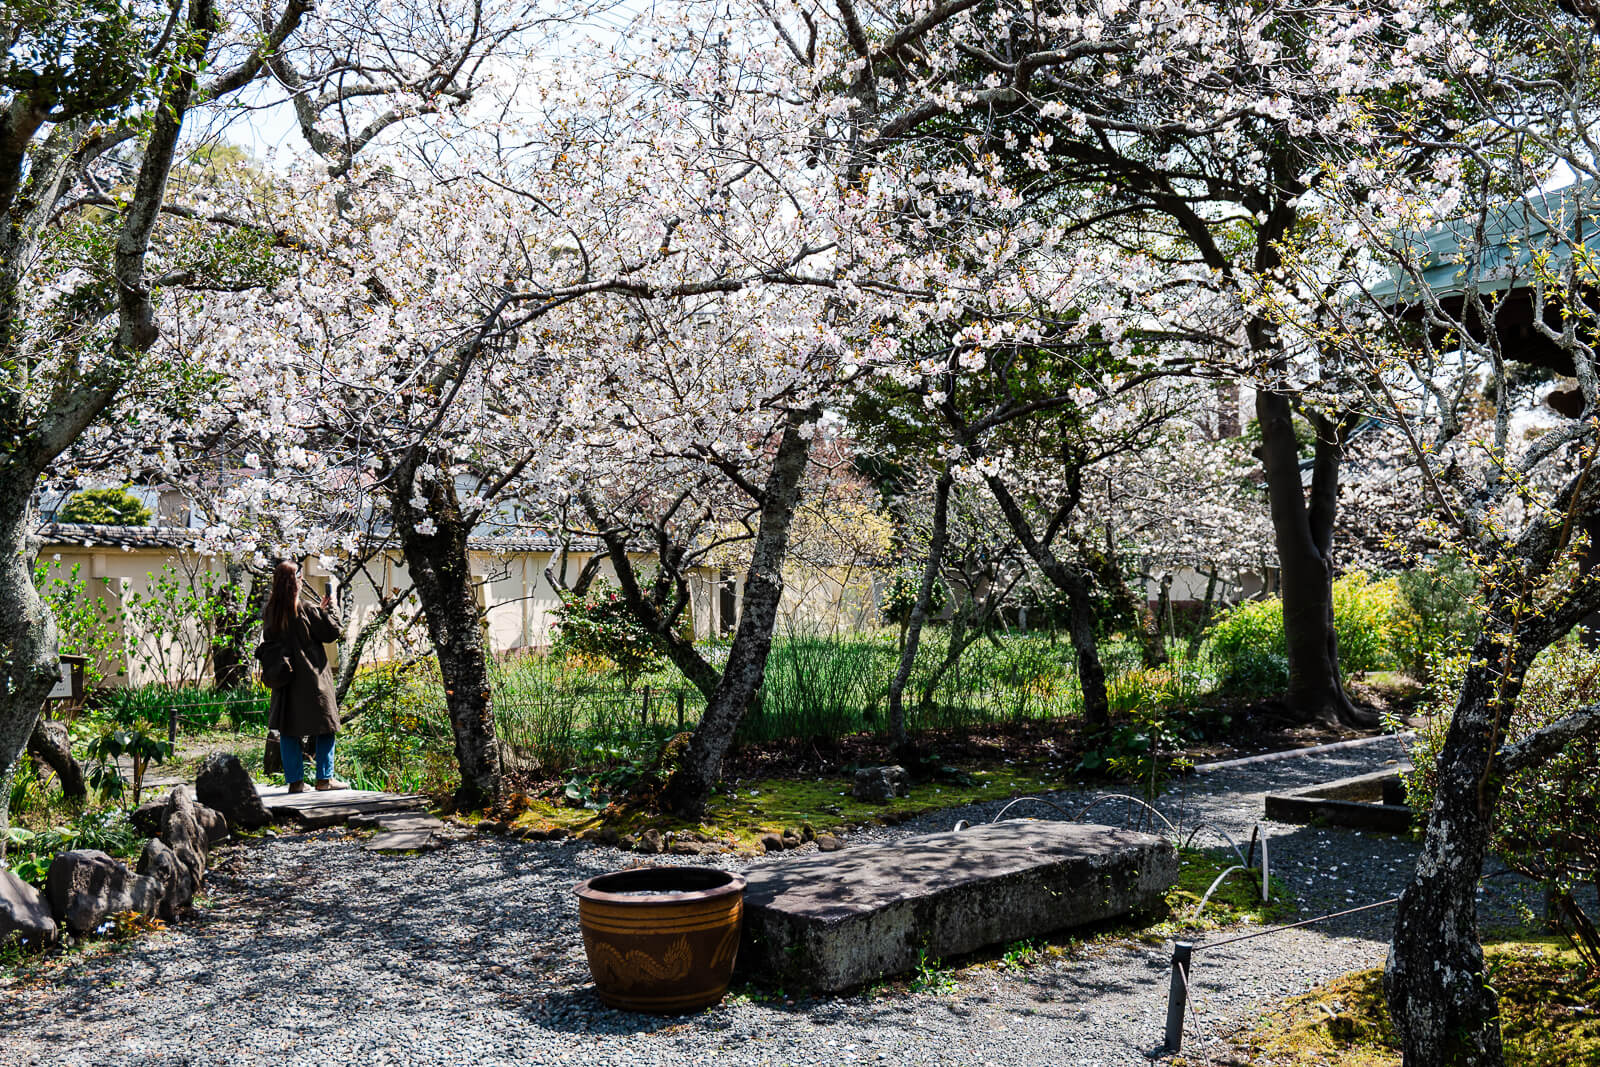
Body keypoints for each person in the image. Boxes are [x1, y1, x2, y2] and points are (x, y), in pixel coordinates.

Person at [263, 560, 347, 794]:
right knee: (326, 726)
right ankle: (324, 779)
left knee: (289, 729)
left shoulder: (270, 612)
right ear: (295, 581)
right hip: (312, 678)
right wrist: (331, 608)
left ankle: (296, 782)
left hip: (284, 679)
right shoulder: (306, 608)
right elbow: (332, 632)